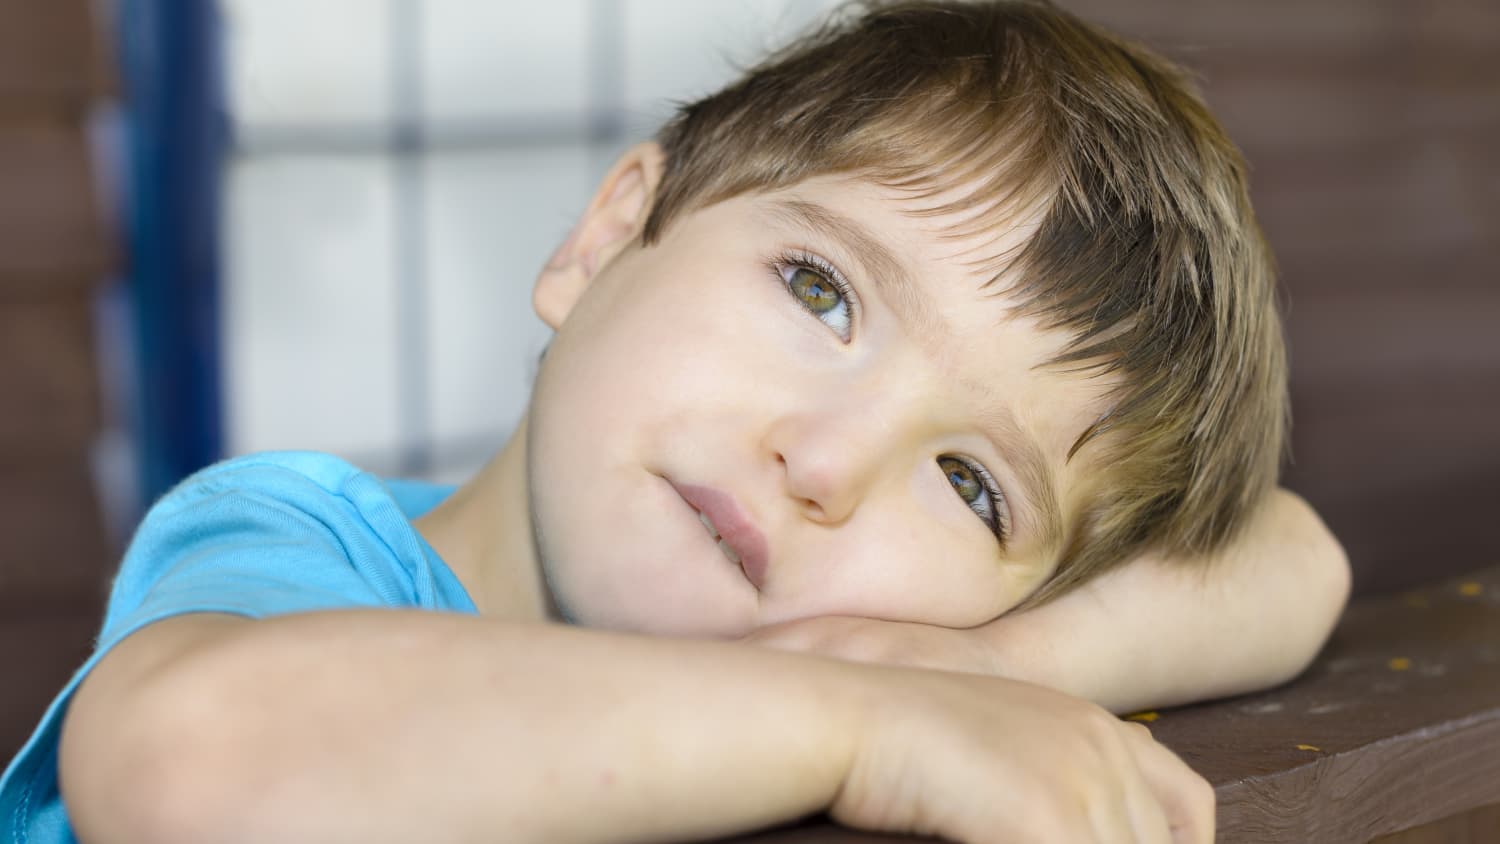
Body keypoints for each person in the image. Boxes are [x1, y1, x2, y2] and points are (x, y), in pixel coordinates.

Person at [2, 2, 1350, 842]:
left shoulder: (912, 639)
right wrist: (863, 725)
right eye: (819, 290)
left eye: (969, 482)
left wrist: (996, 674)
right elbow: (189, 771)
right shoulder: (287, 542)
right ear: (605, 238)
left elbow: (1294, 559)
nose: (825, 464)